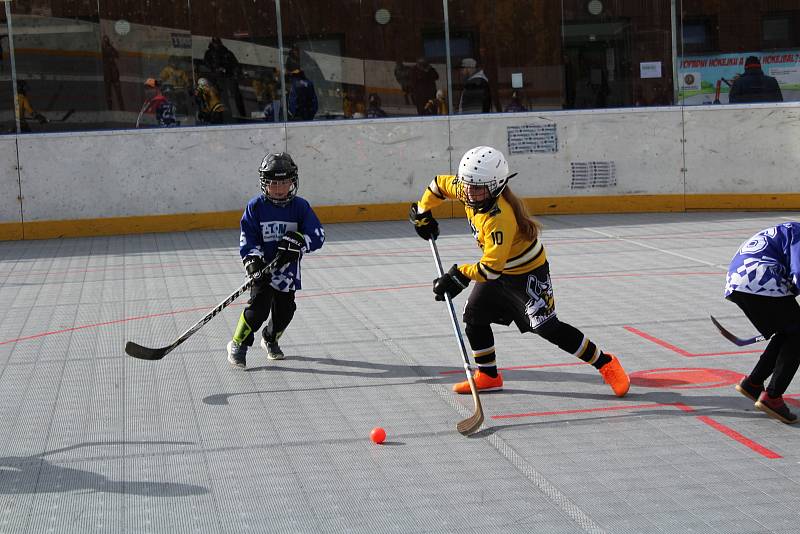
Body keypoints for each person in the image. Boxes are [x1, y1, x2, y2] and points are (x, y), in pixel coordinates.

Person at [409, 146, 630, 397]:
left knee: (548, 328)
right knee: (473, 316)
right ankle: (488, 375)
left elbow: (490, 269)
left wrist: (458, 275)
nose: (469, 193)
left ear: (497, 186)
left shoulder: (499, 218)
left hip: (526, 273)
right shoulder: (470, 187)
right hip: (497, 269)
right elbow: (438, 185)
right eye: (467, 185)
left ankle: (606, 363)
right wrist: (423, 212)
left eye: (477, 188)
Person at [227, 152, 325, 368]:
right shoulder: (256, 207)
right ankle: (238, 343)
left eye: (284, 182)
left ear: (293, 181)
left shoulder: (300, 207)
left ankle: (270, 339)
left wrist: (299, 241)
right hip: (262, 269)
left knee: (285, 312)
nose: (279, 188)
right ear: (264, 183)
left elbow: (318, 235)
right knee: (257, 310)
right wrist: (253, 262)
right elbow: (248, 237)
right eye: (273, 183)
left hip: (286, 273)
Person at [725, 222, 800, 423]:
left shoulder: (790, 229)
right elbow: (799, 274)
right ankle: (773, 397)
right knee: (798, 336)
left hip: (740, 281)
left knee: (788, 332)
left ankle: (753, 383)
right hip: (760, 279)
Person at [204, 37, 245, 117]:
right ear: (212, 43)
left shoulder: (227, 52)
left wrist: (236, 72)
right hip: (218, 77)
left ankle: (241, 114)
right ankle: (226, 115)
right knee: (223, 98)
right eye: (215, 43)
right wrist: (216, 68)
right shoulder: (209, 53)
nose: (216, 44)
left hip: (229, 76)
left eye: (218, 42)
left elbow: (235, 63)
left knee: (236, 95)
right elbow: (206, 63)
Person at [101, 35, 124, 110]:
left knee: (116, 93)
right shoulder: (105, 49)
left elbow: (117, 55)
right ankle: (112, 108)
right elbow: (116, 55)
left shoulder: (109, 48)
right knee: (110, 93)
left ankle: (120, 108)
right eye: (105, 40)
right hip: (109, 74)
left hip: (112, 74)